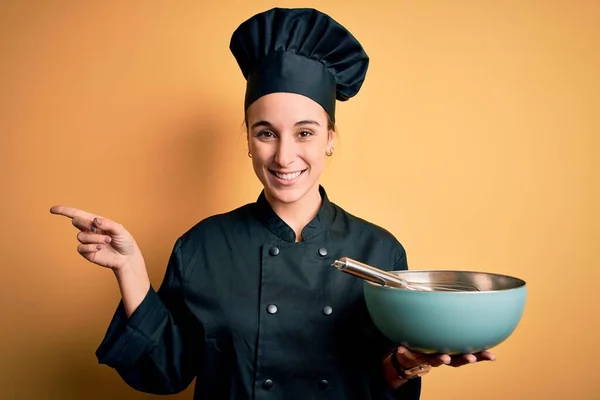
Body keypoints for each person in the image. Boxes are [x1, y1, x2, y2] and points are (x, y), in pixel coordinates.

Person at [50, 7, 495, 400]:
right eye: (266, 133)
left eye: (305, 132)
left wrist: (412, 361)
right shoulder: (203, 245)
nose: (284, 156)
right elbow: (165, 373)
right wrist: (128, 268)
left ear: (331, 140)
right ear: (247, 139)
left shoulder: (380, 251)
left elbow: (383, 383)